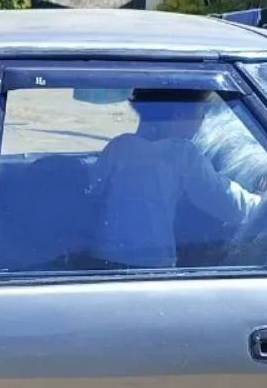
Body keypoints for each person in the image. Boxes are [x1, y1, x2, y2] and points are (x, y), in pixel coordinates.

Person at [90, 89, 257, 269]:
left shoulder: (118, 145)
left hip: (105, 253)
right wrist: (260, 204)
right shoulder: (181, 152)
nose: (203, 120)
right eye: (201, 112)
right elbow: (221, 199)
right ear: (180, 115)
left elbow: (94, 191)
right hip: (150, 259)